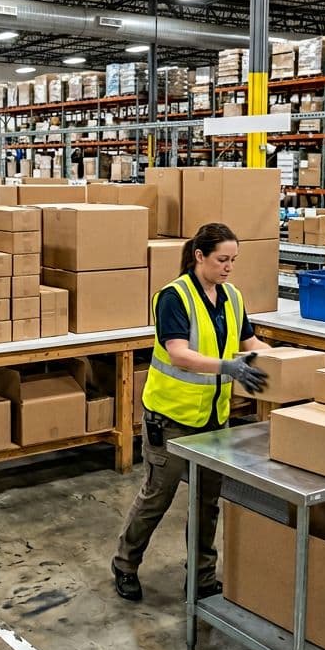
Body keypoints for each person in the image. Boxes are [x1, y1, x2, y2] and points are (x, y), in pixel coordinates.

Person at [112, 222, 270, 602]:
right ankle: (125, 564)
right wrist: (228, 367)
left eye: (233, 260)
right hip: (171, 418)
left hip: (215, 418)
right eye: (222, 259)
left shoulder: (232, 296)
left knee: (207, 501)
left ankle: (200, 577)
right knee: (157, 496)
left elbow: (250, 341)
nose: (229, 267)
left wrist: (287, 363)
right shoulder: (174, 297)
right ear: (199, 256)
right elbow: (180, 353)